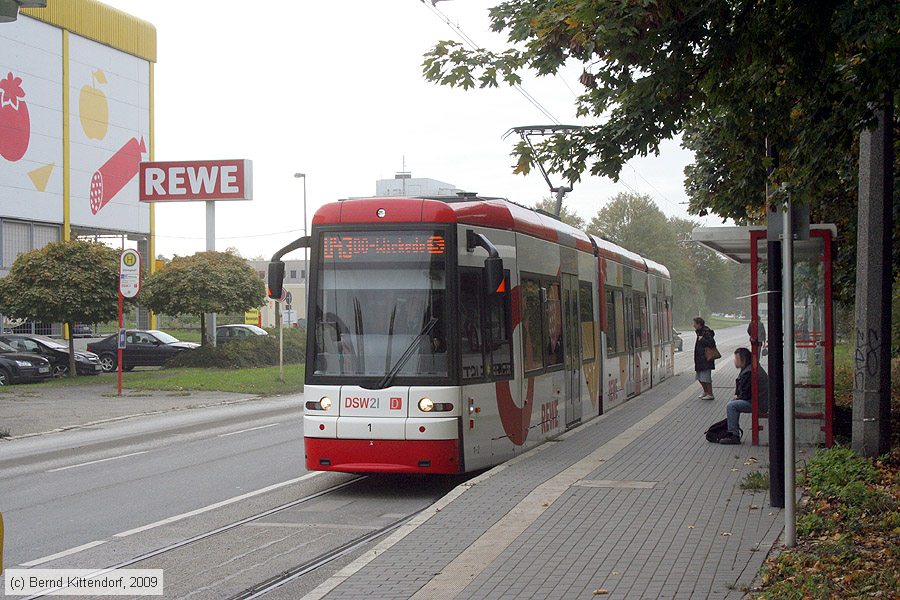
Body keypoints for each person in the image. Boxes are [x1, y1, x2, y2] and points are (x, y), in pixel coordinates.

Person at [720, 347, 769, 444]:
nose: (734, 361)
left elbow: (746, 393)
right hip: (760, 400)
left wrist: (737, 397)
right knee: (733, 403)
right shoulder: (750, 368)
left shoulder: (749, 372)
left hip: (759, 404)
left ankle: (734, 434)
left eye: (736, 359)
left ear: (744, 359)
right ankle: (732, 430)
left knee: (732, 406)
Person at [693, 316, 716, 400]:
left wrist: (702, 340)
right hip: (700, 359)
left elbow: (712, 343)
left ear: (699, 324)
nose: (693, 325)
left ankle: (710, 393)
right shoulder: (699, 332)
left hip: (705, 359)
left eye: (694, 323)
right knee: (699, 377)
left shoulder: (706, 332)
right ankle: (705, 391)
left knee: (706, 378)